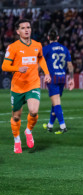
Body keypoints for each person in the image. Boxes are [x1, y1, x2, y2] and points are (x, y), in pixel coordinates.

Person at [1, 19, 51, 153]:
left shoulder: (37, 45)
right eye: (23, 28)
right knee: (16, 117)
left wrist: (46, 73)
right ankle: (17, 139)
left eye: (28, 27)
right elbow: (5, 66)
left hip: (33, 84)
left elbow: (41, 58)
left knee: (34, 111)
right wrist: (17, 68)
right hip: (17, 87)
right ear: (18, 31)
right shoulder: (13, 47)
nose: (26, 30)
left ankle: (28, 131)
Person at [42, 29, 74, 134]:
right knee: (55, 102)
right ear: (58, 37)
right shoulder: (64, 49)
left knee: (56, 103)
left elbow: (39, 64)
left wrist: (34, 75)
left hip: (52, 78)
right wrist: (72, 78)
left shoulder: (46, 49)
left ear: (48, 38)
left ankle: (63, 126)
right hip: (62, 78)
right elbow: (69, 65)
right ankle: (50, 125)